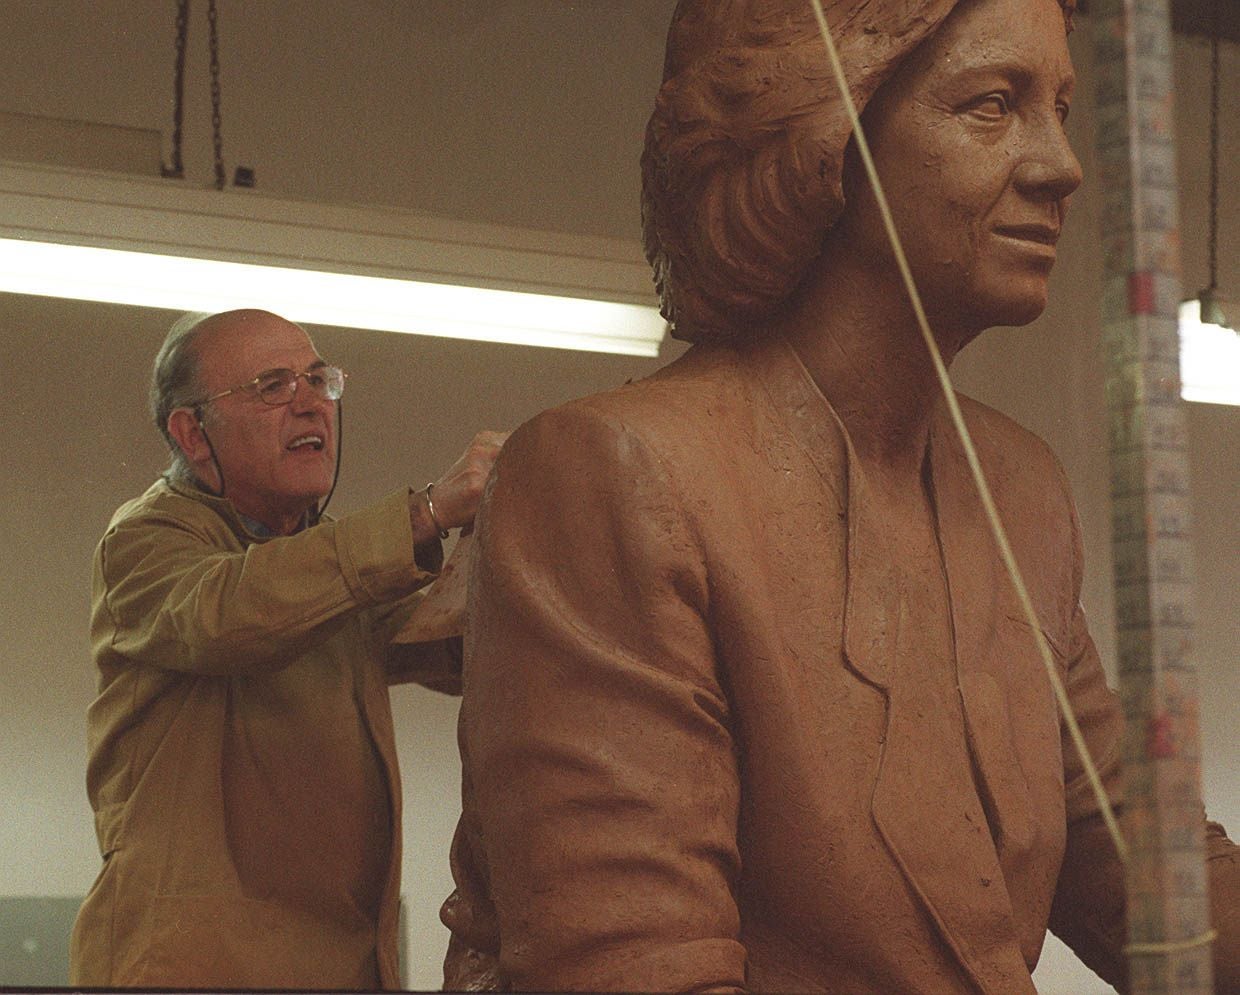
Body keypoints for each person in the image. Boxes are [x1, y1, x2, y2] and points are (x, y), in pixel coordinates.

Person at [441, 0, 1240, 991]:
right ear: (818, 138)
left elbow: (1143, 874)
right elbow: (632, 962)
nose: (1059, 163)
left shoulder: (1019, 488)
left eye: (1062, 107)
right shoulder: (612, 472)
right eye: (992, 105)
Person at [69, 308, 505, 989]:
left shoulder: (328, 564)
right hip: (192, 972)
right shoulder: (145, 540)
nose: (311, 402)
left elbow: (460, 647)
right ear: (193, 433)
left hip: (345, 966)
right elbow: (233, 612)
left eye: (318, 379)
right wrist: (425, 512)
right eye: (272, 385)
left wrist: (530, 530)